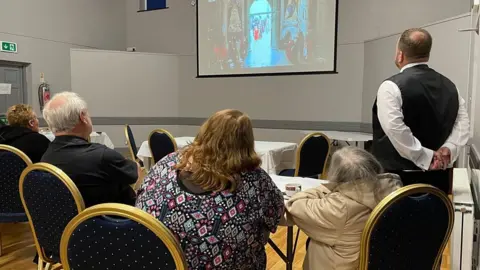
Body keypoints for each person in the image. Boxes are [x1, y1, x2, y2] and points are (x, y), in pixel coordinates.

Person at [136, 109, 284, 270]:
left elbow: (140, 197)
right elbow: (275, 216)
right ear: (247, 142)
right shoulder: (255, 180)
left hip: (154, 261)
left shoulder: (166, 164)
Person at [372, 28, 470, 193]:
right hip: (440, 180)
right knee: (438, 218)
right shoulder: (451, 86)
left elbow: (396, 130)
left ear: (400, 55)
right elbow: (462, 122)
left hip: (397, 183)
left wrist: (428, 157)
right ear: (427, 54)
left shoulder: (390, 87)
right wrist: (448, 149)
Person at [286, 147, 402, 270]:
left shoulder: (339, 207)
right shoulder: (394, 190)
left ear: (337, 176)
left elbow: (294, 205)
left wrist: (329, 187)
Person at [41, 92, 140, 207]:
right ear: (83, 117)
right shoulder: (102, 156)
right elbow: (134, 175)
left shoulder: (46, 158)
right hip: (113, 221)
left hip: (65, 223)